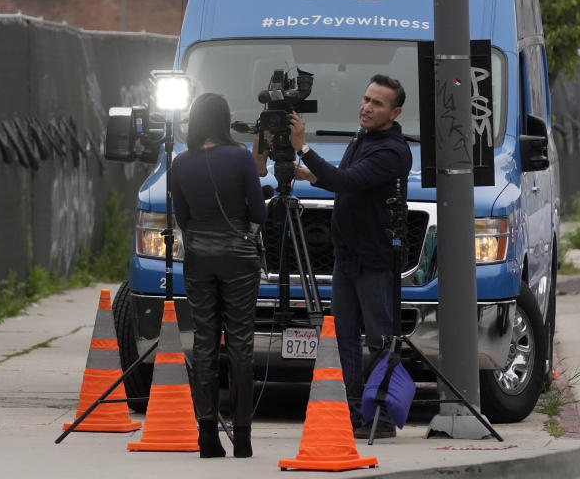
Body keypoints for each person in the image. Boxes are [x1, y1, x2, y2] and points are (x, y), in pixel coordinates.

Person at [288, 74, 413, 438]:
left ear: (395, 112)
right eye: (366, 98)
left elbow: (349, 181)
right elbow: (342, 177)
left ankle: (383, 417)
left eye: (377, 103)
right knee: (344, 338)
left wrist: (304, 147)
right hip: (347, 258)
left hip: (374, 261)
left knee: (378, 339)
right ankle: (355, 413)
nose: (367, 107)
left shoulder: (392, 150)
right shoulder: (363, 138)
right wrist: (308, 174)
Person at [169, 93, 267, 458]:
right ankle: (242, 437)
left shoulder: (180, 163)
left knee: (205, 343)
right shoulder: (241, 156)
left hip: (198, 256)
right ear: (224, 120)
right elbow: (258, 212)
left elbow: (183, 218)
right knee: (240, 344)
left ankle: (207, 436)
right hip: (238, 256)